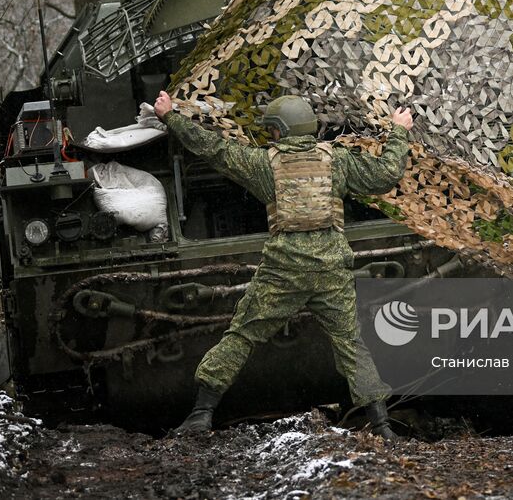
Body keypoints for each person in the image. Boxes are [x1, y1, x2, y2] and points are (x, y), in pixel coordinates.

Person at [153, 89, 414, 440]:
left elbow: (212, 149)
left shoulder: (263, 164)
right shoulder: (338, 160)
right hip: (331, 268)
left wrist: (171, 116)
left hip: (282, 270)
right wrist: (399, 130)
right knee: (352, 343)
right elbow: (386, 174)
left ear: (279, 130)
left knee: (243, 334)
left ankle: (201, 414)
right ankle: (381, 425)